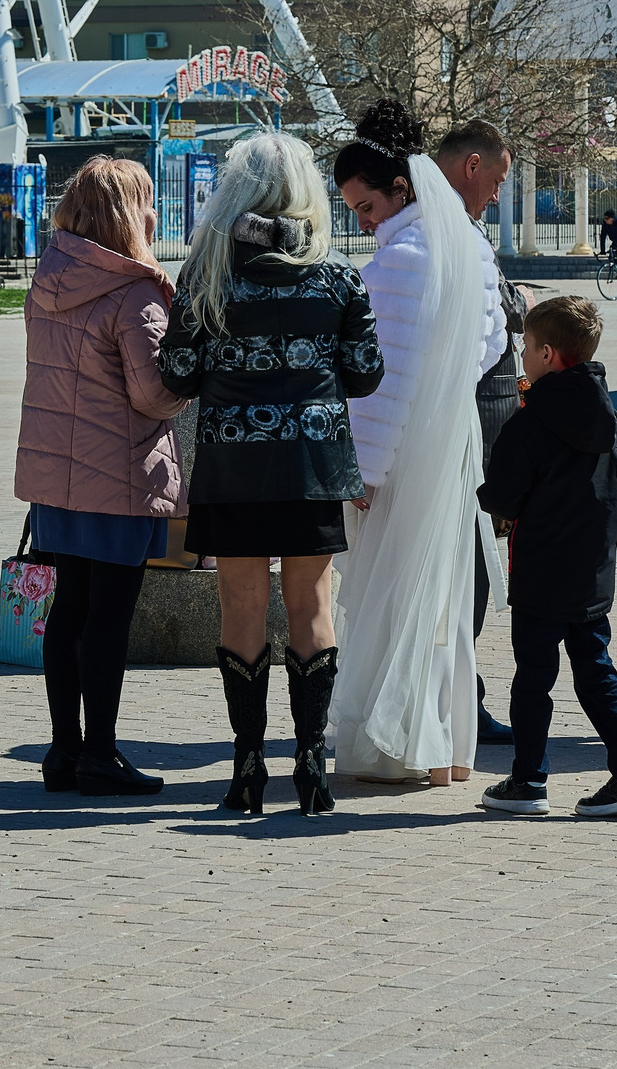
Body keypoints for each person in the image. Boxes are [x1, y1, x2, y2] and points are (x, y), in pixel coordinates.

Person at [158, 134, 383, 817]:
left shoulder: (208, 273)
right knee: (312, 606)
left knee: (242, 609)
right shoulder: (337, 275)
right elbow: (366, 374)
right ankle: (311, 763)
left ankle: (247, 767)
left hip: (234, 466)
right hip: (313, 464)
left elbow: (177, 372)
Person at [15, 156, 189, 797]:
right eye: (147, 202)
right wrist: (192, 371)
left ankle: (63, 750)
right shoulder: (133, 292)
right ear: (127, 214)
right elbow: (153, 394)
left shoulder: (48, 279)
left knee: (68, 611)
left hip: (56, 477)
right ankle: (100, 753)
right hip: (118, 474)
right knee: (109, 620)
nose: (154, 214)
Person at [329, 100, 491, 786]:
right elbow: (489, 344)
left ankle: (395, 744)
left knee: (392, 594)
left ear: (399, 188)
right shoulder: (469, 243)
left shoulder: (399, 261)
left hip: (400, 452)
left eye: (366, 207)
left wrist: (363, 470)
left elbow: (382, 384)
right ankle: (447, 743)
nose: (363, 222)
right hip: (451, 440)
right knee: (443, 594)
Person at [476, 296, 617, 817]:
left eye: (526, 346)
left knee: (533, 678)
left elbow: (502, 497)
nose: (521, 354)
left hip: (540, 570)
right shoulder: (610, 417)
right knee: (596, 670)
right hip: (593, 571)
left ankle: (528, 781)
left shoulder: (529, 421)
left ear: (547, 353)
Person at [436, 120, 519, 745]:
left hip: (474, 432)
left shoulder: (454, 225)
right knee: (468, 574)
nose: (496, 193)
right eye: (496, 179)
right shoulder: (444, 229)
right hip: (464, 435)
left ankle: (457, 696)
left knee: (473, 572)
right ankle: (457, 700)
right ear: (472, 166)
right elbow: (483, 329)